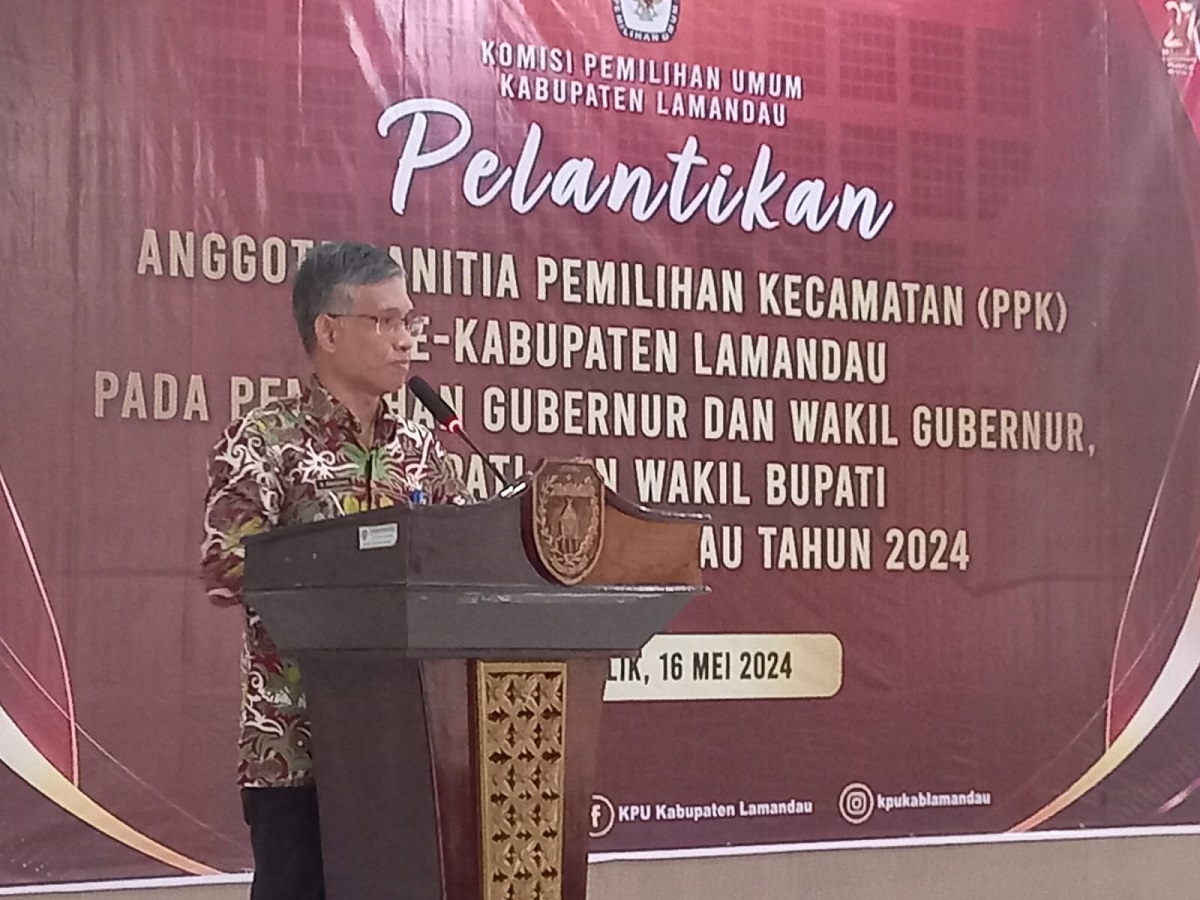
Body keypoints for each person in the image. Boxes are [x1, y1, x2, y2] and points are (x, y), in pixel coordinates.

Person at [200, 240, 466, 900]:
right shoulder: (266, 439)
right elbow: (228, 563)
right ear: (329, 331)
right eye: (386, 320)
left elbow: (467, 565)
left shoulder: (422, 449)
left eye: (410, 320)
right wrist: (352, 568)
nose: (406, 339)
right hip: (298, 746)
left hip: (408, 747)